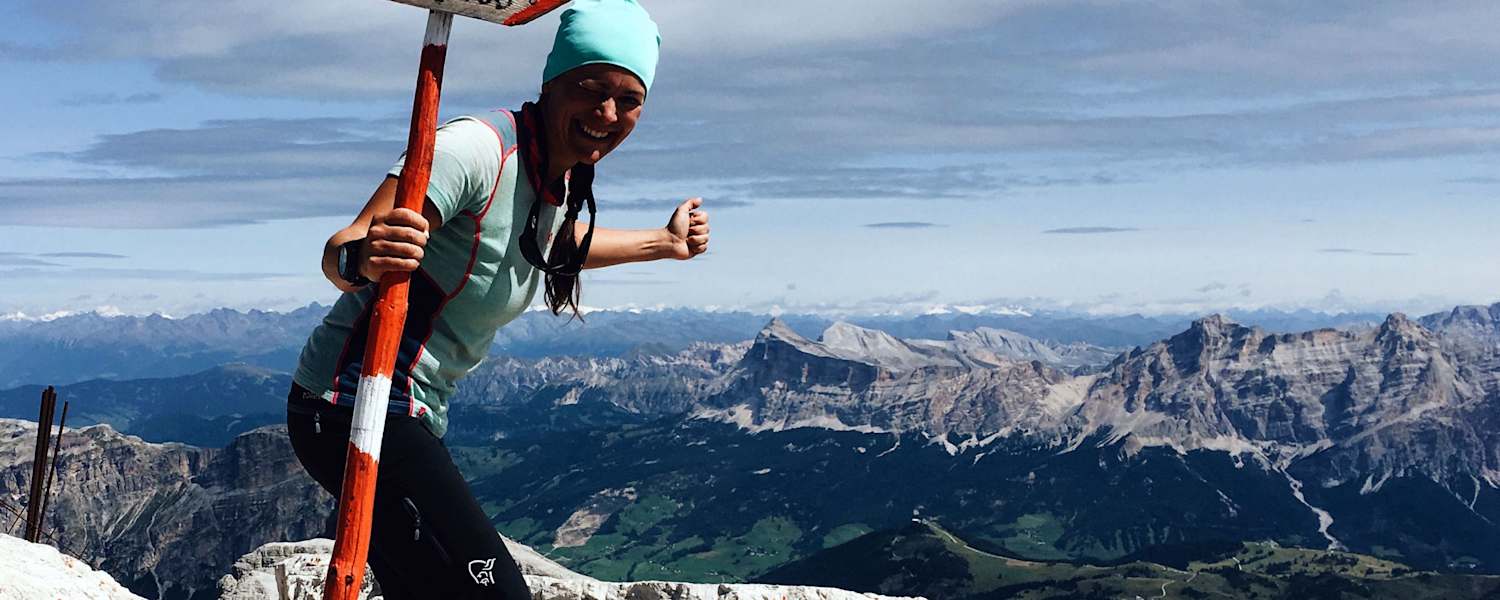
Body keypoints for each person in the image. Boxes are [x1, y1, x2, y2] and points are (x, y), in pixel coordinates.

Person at [285, 1, 704, 597]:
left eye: (629, 98)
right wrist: (364, 256)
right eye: (591, 87)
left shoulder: (551, 170)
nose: (607, 112)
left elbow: (550, 241)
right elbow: (345, 250)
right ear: (552, 82)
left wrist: (663, 243)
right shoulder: (477, 149)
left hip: (408, 411)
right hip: (356, 404)